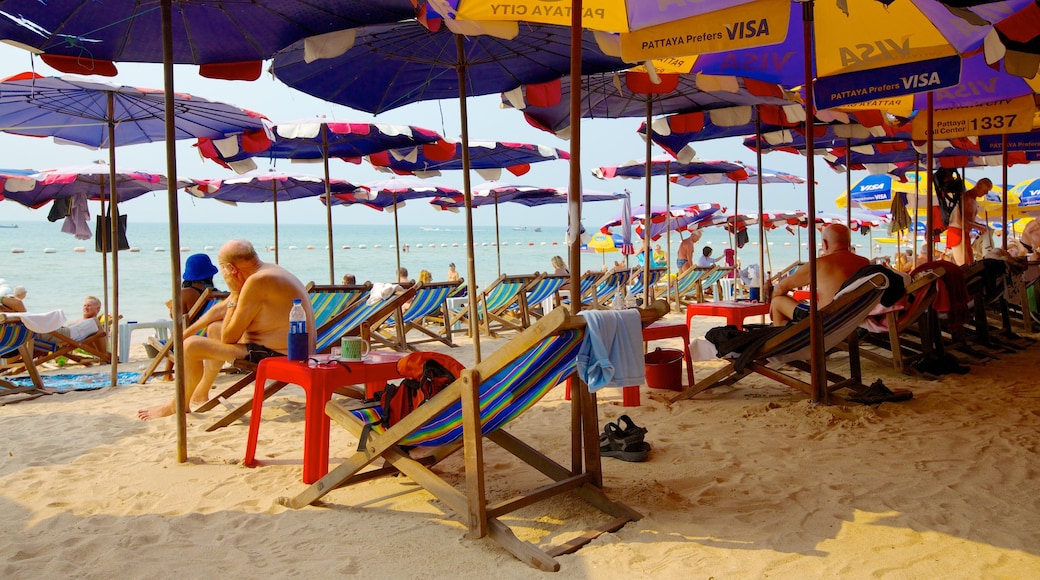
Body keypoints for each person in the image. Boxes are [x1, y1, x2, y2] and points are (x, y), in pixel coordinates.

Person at [138, 239, 314, 421]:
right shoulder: (266, 271)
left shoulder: (257, 282)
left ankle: (177, 405)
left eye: (221, 268)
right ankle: (200, 393)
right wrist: (185, 333)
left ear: (231, 268)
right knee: (213, 328)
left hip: (281, 354)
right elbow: (221, 309)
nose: (222, 273)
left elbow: (229, 336)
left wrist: (235, 293)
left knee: (191, 347)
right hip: (285, 347)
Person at [769, 224, 870, 327]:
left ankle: (787, 340)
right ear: (848, 243)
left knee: (777, 302)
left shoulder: (819, 264)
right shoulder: (865, 262)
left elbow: (781, 287)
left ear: (825, 244)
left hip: (825, 321)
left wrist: (772, 301)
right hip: (853, 319)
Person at [947, 178, 992, 266]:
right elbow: (961, 220)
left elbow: (969, 220)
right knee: (963, 265)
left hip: (965, 233)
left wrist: (980, 226)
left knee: (970, 264)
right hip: (957, 232)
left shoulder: (973, 200)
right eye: (985, 190)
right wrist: (979, 227)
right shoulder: (966, 197)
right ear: (978, 186)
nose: (986, 193)